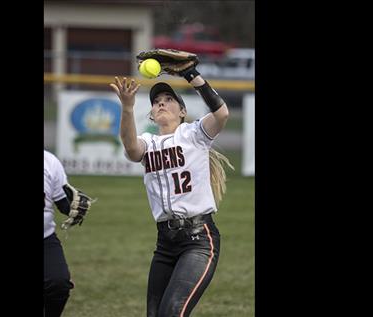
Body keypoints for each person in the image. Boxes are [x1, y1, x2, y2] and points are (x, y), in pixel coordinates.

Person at [110, 63, 233, 316]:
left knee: (172, 311)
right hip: (165, 243)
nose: (161, 103)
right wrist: (127, 107)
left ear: (182, 111)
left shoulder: (194, 134)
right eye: (156, 102)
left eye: (168, 99)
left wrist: (191, 75)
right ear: (152, 115)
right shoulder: (149, 142)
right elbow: (132, 149)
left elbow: (221, 114)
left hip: (198, 240)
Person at [44, 149, 93, 317]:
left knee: (59, 284)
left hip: (45, 239)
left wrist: (72, 207)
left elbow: (61, 202)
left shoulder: (49, 162)